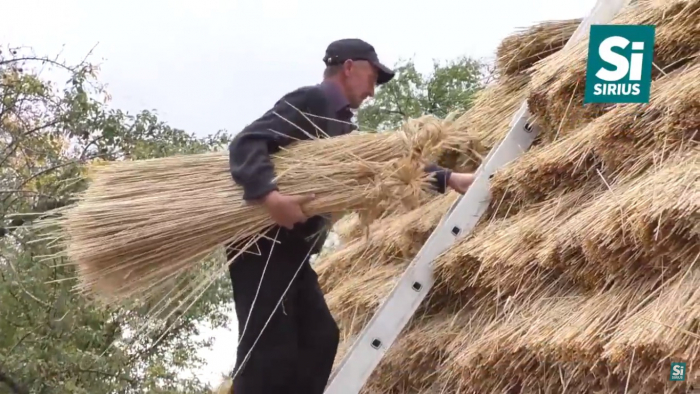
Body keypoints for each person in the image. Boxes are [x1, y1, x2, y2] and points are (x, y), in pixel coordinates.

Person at [226, 38, 475, 394]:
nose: (373, 91)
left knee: (320, 337)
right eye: (372, 77)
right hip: (263, 242)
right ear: (349, 67)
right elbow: (247, 142)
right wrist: (270, 197)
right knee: (267, 350)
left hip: (293, 251)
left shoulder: (340, 125)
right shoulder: (314, 100)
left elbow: (381, 168)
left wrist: (450, 179)